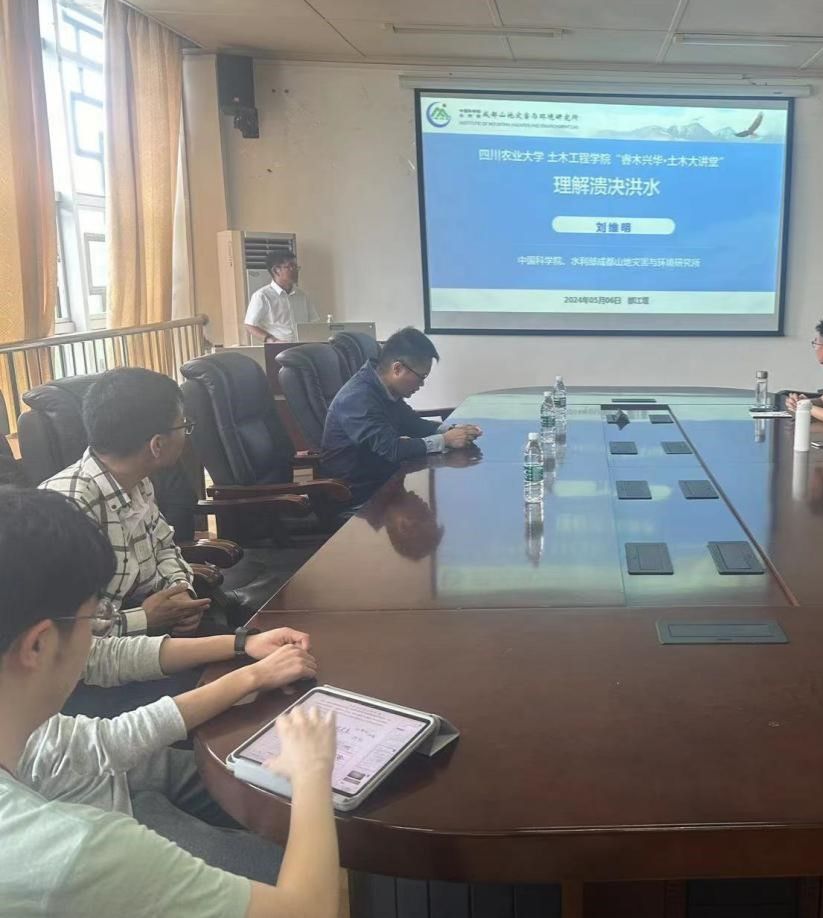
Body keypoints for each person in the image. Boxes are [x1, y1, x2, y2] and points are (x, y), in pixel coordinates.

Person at [0, 488, 340, 917]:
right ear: (38, 645)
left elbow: (104, 740)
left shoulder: (27, 729)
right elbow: (309, 911)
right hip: (113, 840)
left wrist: (244, 654)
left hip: (113, 793)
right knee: (318, 855)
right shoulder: (71, 853)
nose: (97, 640)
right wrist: (311, 774)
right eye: (96, 621)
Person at [41, 368, 212, 637]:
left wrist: (180, 591)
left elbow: (164, 548)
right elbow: (67, 632)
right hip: (99, 652)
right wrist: (143, 618)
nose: (186, 434)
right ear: (157, 445)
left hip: (150, 628)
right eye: (184, 426)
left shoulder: (138, 481)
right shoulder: (67, 507)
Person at [321, 327, 482, 505]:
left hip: (385, 483)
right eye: (421, 376)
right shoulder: (358, 398)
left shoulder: (381, 387)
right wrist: (445, 440)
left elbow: (412, 424)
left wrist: (451, 430)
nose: (422, 384)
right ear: (397, 368)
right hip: (357, 498)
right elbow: (392, 449)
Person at [243, 249, 319, 344]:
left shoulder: (302, 295)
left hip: (303, 346)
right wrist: (271, 340)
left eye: (296, 267)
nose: (295, 270)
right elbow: (250, 325)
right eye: (290, 267)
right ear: (276, 270)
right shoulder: (262, 296)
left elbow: (313, 322)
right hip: (278, 347)